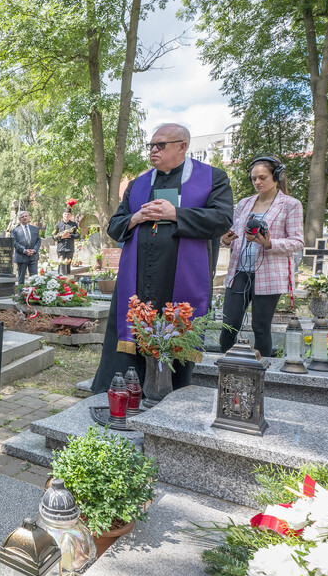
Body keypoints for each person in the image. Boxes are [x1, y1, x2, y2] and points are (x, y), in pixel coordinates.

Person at [91, 123, 233, 393]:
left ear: (182, 146)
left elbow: (222, 219)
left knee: (175, 330)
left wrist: (175, 213)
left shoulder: (212, 178)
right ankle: (122, 391)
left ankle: (171, 393)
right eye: (151, 145)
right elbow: (115, 225)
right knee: (129, 334)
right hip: (138, 276)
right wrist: (135, 218)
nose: (153, 151)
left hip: (180, 277)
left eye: (160, 145)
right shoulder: (139, 184)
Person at [218, 156, 303, 356]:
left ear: (276, 177)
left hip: (269, 274)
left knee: (261, 328)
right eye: (254, 178)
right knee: (228, 326)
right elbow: (232, 233)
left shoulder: (290, 204)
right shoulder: (244, 204)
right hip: (240, 270)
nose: (257, 182)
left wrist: (269, 243)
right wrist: (226, 239)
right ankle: (225, 368)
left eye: (262, 177)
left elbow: (298, 241)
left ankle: (262, 375)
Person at [11, 210, 40, 284]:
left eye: (26, 216)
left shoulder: (35, 229)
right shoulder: (15, 230)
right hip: (21, 257)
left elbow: (38, 241)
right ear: (19, 219)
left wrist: (34, 250)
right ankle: (21, 294)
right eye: (22, 217)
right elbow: (15, 242)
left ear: (29, 217)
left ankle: (34, 294)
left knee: (34, 278)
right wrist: (24, 250)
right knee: (21, 279)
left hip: (33, 256)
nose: (24, 218)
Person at [54, 209, 79, 275]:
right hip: (60, 248)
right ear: (63, 215)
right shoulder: (58, 224)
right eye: (65, 214)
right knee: (61, 265)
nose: (66, 215)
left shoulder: (73, 224)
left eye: (68, 214)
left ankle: (67, 280)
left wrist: (70, 235)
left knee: (68, 265)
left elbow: (78, 235)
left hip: (69, 248)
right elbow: (53, 236)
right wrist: (61, 237)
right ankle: (60, 279)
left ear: (70, 215)